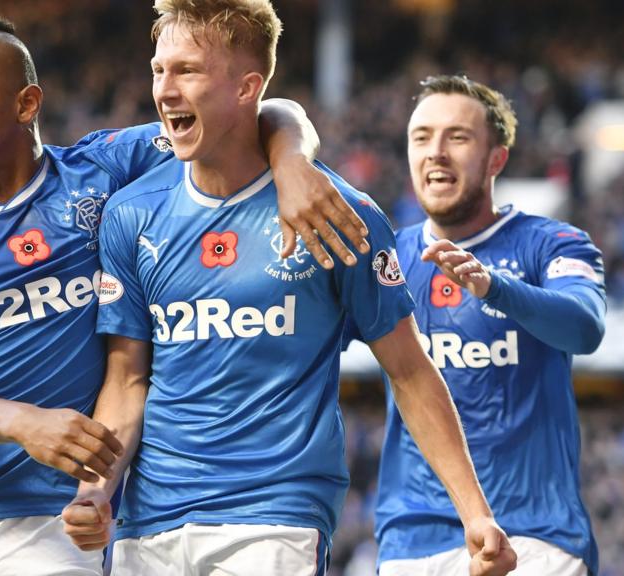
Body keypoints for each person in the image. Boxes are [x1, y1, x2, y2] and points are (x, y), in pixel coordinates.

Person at [0, 13, 369, 576]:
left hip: (54, 521)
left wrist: (293, 161)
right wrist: (22, 422)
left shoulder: (104, 172)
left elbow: (260, 111)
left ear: (27, 104)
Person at [60, 3, 516, 575]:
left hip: (273, 517)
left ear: (248, 87)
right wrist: (96, 490)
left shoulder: (339, 215)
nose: (164, 90)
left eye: (188, 71)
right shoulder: (132, 213)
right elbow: (127, 381)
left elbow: (409, 369)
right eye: (158, 70)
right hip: (148, 524)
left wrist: (474, 515)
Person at [373, 74, 607, 575]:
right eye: (422, 137)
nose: (436, 151)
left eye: (457, 137)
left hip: (535, 536)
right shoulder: (386, 257)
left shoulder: (553, 243)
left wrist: (495, 288)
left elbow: (584, 326)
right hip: (414, 539)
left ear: (496, 158)